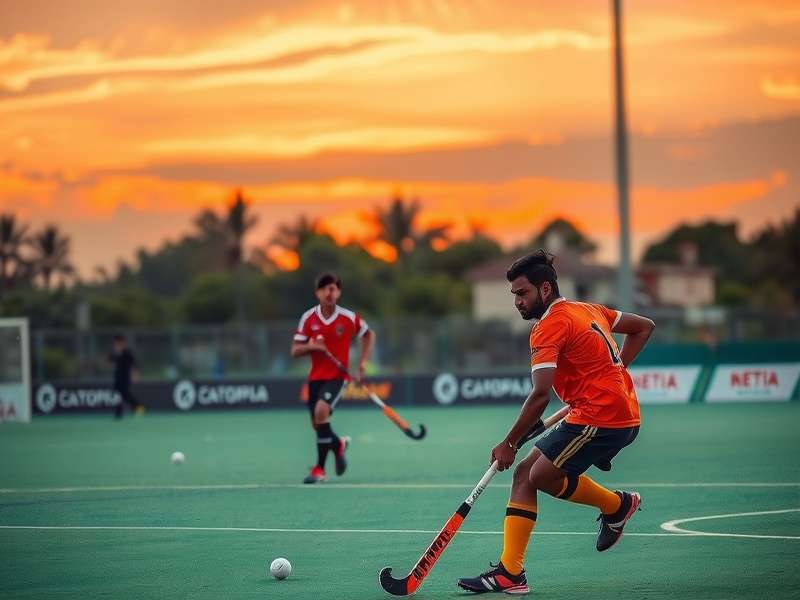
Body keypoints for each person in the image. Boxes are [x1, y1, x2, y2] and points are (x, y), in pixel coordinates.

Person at [458, 250, 655, 594]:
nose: (517, 301)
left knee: (542, 476)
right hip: (598, 411)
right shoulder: (587, 309)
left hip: (602, 416)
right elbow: (643, 327)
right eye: (514, 295)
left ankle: (618, 505)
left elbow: (540, 395)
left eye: (523, 293)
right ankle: (510, 573)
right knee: (524, 475)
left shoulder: (549, 326)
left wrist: (508, 443)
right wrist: (615, 369)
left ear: (545, 289)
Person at [291, 272, 374, 484]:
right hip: (316, 377)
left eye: (334, 288)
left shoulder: (348, 318)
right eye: (325, 288)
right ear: (317, 292)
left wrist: (362, 364)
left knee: (321, 411)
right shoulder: (308, 318)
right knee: (317, 424)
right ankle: (338, 445)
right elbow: (295, 350)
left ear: (339, 292)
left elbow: (368, 335)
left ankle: (320, 469)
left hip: (338, 376)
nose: (330, 292)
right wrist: (312, 346)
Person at [109, 334, 144, 419]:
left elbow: (134, 362)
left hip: (125, 377)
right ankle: (119, 412)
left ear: (122, 342)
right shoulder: (115, 352)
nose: (116, 344)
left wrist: (135, 373)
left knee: (125, 393)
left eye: (117, 342)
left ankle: (138, 406)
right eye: (115, 343)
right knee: (118, 394)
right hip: (117, 377)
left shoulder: (127, 352)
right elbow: (109, 361)